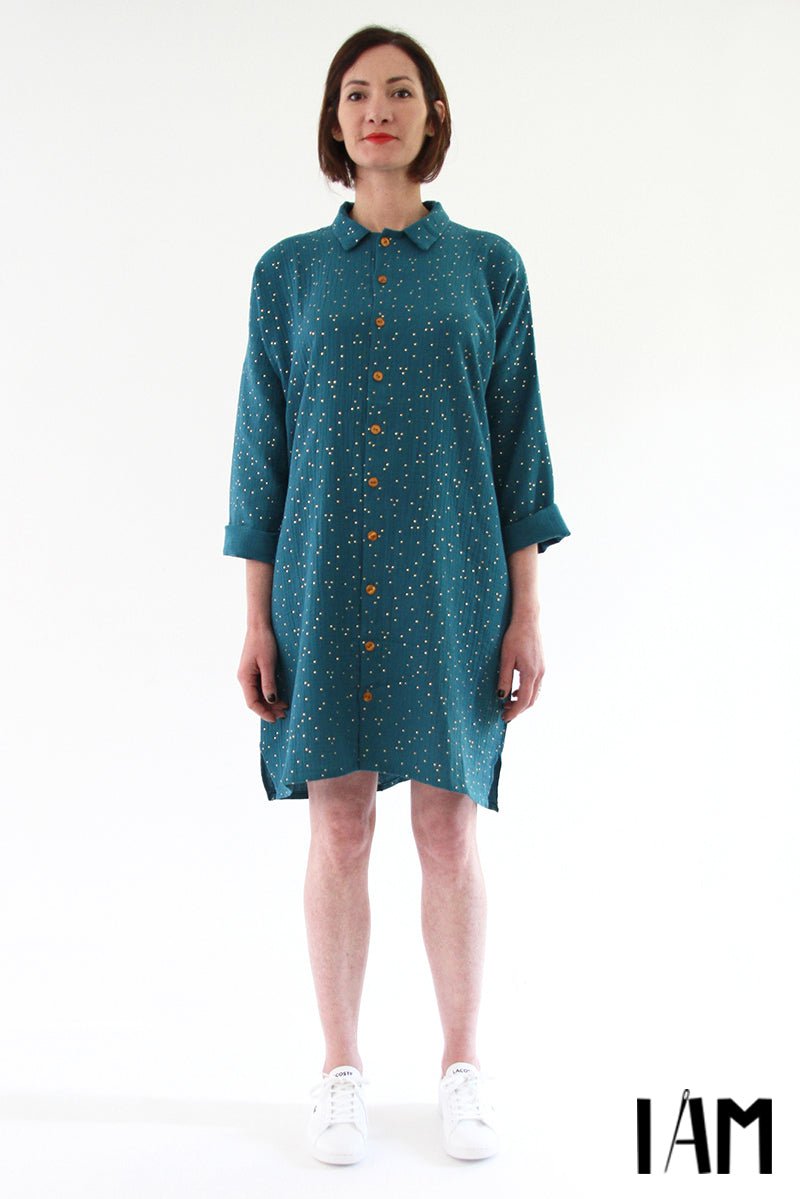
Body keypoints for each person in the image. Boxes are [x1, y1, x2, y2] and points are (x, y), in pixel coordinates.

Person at [223, 24, 571, 1166]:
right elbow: (261, 453)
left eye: (401, 91)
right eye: (358, 93)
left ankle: (462, 1064)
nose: (379, 109)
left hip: (457, 578)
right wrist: (254, 615)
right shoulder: (287, 274)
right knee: (337, 822)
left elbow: (519, 448)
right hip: (320, 579)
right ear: (335, 120)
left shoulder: (489, 268)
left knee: (447, 827)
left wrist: (526, 610)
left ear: (433, 115)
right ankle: (339, 1068)